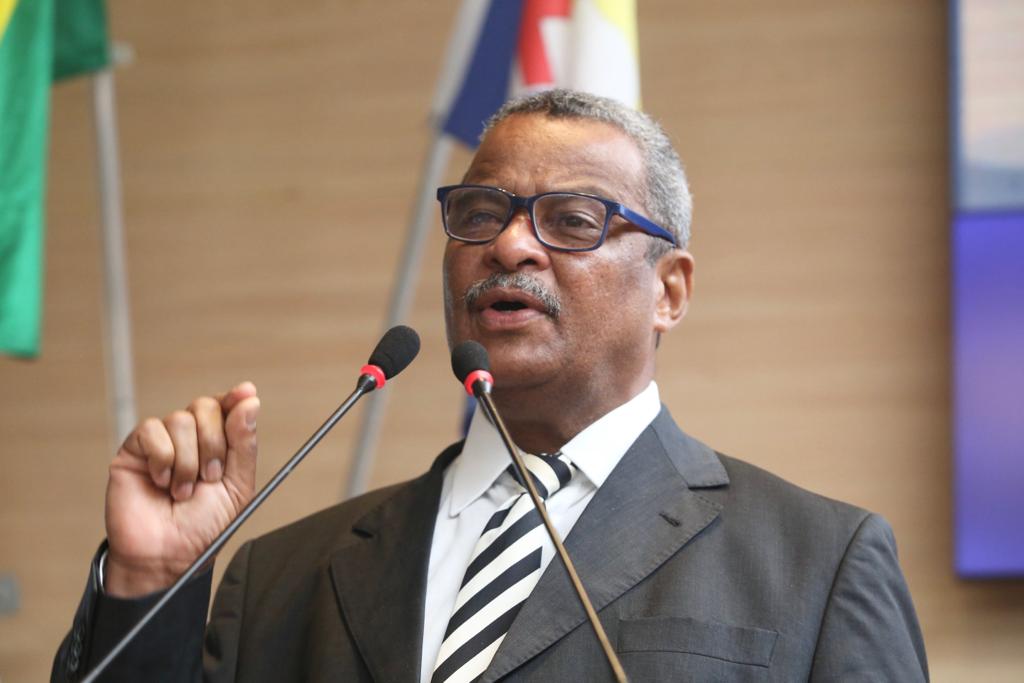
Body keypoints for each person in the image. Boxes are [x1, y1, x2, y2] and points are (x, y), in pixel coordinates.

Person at [53, 89, 929, 682]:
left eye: (572, 221)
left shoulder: (818, 562)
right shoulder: (280, 577)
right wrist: (151, 583)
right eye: (479, 213)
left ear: (669, 290)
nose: (509, 245)